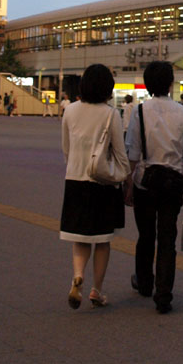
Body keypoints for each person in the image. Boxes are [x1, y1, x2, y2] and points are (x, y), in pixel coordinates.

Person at [125, 61, 183, 314]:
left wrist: (128, 184)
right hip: (174, 183)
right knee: (168, 239)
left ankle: (144, 283)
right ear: (170, 83)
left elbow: (133, 152)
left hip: (145, 181)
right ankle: (163, 295)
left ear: (148, 83)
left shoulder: (139, 111)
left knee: (146, 236)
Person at [59, 64, 127, 309]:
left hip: (75, 181)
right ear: (108, 87)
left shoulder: (70, 111)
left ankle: (78, 276)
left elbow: (66, 148)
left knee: (80, 237)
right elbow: (120, 153)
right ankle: (96, 291)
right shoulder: (111, 114)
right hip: (102, 184)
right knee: (102, 240)